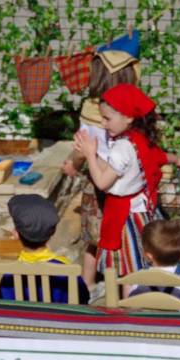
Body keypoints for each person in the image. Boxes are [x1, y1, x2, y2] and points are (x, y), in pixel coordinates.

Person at [74, 83, 180, 283]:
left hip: (123, 216)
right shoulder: (140, 138)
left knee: (130, 265)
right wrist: (178, 159)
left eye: (107, 118)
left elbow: (102, 183)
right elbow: (159, 156)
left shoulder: (122, 148)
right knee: (149, 255)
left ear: (128, 117)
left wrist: (90, 155)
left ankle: (127, 302)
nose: (103, 123)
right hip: (144, 211)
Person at [61, 32, 142, 293]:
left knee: (95, 239)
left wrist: (73, 164)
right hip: (126, 185)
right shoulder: (134, 111)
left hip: (96, 185)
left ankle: (88, 281)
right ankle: (126, 288)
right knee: (125, 237)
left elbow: (83, 149)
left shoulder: (89, 108)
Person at [0, 194, 90, 304]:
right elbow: (83, 298)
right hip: (59, 320)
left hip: (23, 320)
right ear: (52, 233)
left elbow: (5, 303)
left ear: (16, 234)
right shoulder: (67, 271)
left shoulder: (9, 276)